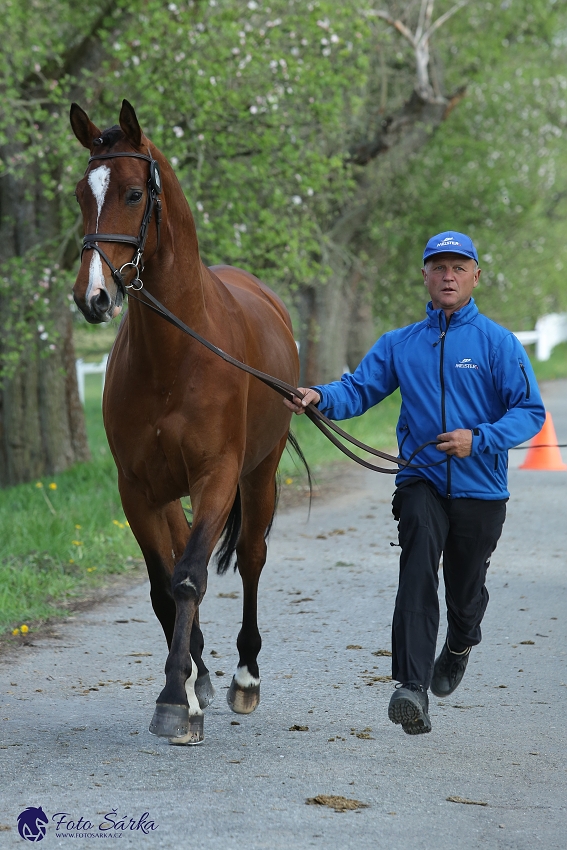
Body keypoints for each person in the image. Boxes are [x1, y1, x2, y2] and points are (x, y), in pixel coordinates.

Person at [285, 231, 546, 735]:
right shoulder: (400, 344)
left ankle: (461, 641)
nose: (448, 275)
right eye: (438, 267)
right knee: (418, 570)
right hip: (421, 480)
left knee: (465, 593)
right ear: (425, 276)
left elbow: (530, 411)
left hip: (481, 489)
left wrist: (481, 439)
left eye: (458, 267)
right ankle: (410, 687)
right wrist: (319, 395)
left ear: (474, 276)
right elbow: (359, 389)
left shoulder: (497, 343)